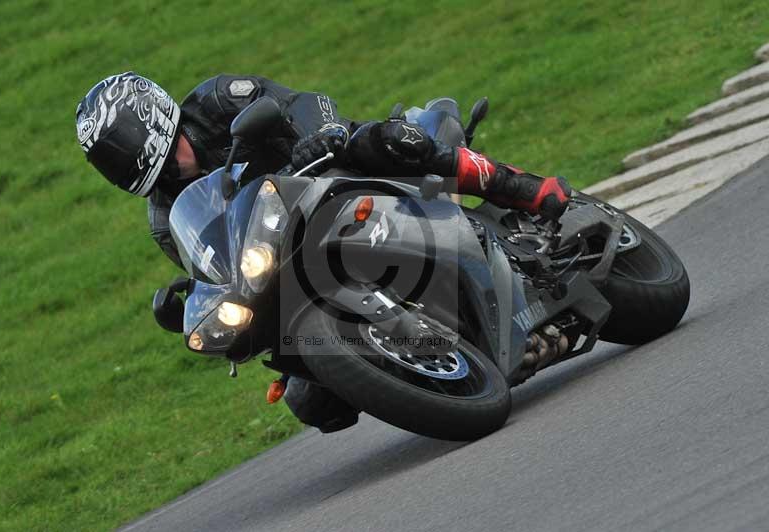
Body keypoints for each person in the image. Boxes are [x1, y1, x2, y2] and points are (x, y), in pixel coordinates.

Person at [75, 71, 572, 433]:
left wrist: (319, 135)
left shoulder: (217, 100)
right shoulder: (165, 220)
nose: (170, 173)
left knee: (396, 140)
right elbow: (217, 266)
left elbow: (302, 102)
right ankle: (420, 358)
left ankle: (525, 189)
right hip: (288, 254)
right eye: (114, 162)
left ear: (155, 119)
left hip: (331, 174)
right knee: (310, 402)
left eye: (168, 161)